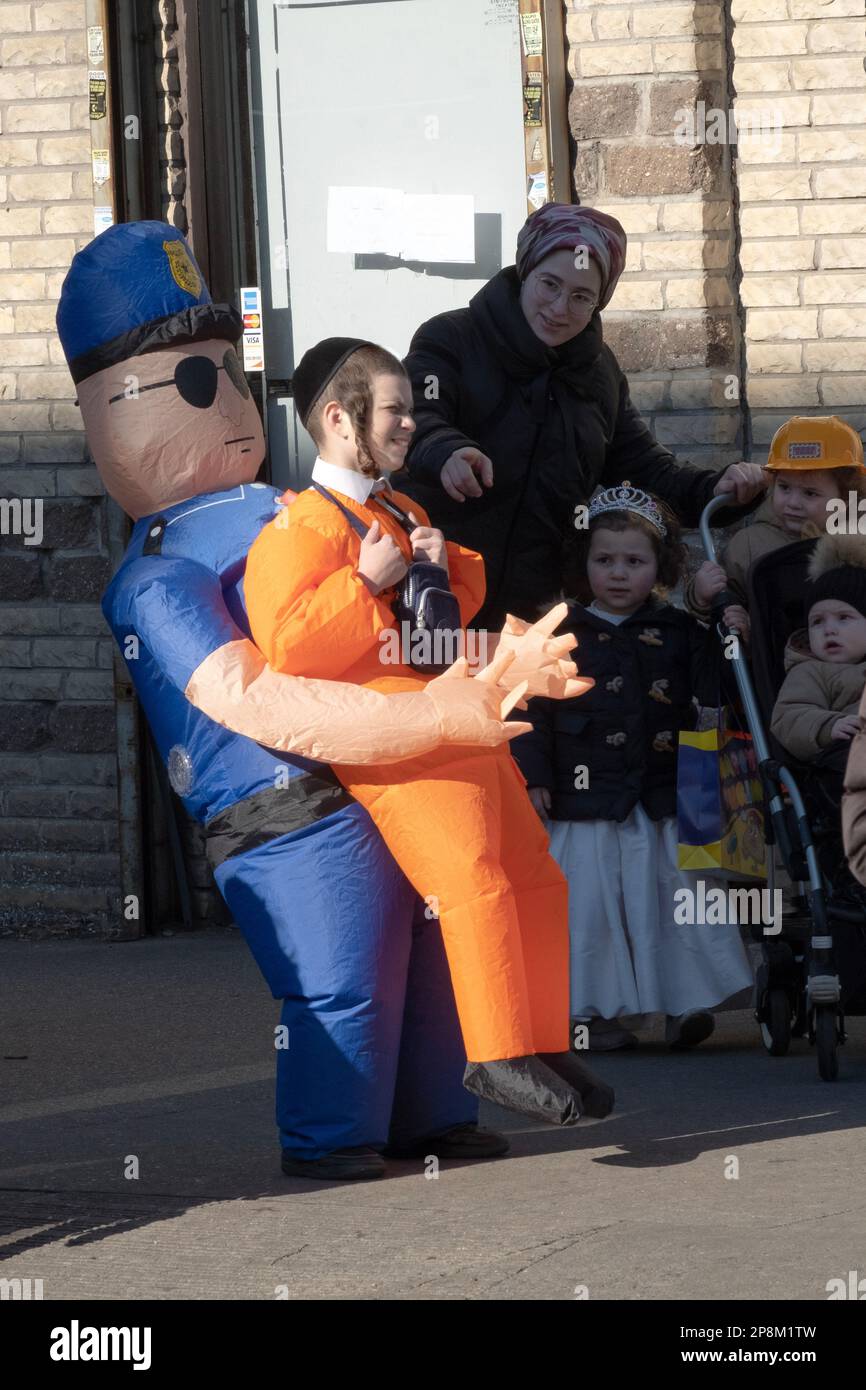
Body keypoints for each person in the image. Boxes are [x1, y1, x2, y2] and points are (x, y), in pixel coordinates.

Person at [57, 223, 585, 1184]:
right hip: (280, 807)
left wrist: (486, 651)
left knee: (429, 949)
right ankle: (331, 1138)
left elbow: (398, 635)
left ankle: (434, 1114)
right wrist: (434, 713)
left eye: (223, 369)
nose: (222, 400)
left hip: (368, 770)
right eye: (189, 381)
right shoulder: (158, 578)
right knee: (340, 977)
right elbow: (260, 696)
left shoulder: (299, 507)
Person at [244, 336, 616, 1126]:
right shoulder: (297, 525)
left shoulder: (403, 508)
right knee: (473, 879)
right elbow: (288, 646)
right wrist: (364, 581)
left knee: (537, 875)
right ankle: (496, 1055)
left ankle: (541, 1035)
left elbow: (448, 616)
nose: (414, 423)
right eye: (398, 410)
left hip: (450, 712)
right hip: (389, 735)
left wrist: (444, 563)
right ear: (341, 420)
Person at [398, 202, 767, 632]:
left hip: (534, 612)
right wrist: (447, 449)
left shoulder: (600, 374)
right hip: (436, 586)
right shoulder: (452, 338)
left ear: (599, 302)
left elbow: (646, 473)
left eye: (581, 297)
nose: (559, 308)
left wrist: (715, 490)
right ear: (525, 271)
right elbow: (415, 415)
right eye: (549, 285)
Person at [511, 483, 753, 1052]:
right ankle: (597, 1014)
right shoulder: (557, 633)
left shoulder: (681, 632)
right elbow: (532, 707)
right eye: (604, 560)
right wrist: (536, 777)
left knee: (673, 901)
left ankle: (684, 1003)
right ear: (583, 563)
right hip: (584, 801)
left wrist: (726, 638)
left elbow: (711, 699)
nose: (619, 573)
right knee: (591, 910)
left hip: (662, 797)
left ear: (662, 566)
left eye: (635, 561)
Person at [687, 415, 866, 640]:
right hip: (773, 663)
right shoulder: (750, 544)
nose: (792, 502)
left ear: (846, 497)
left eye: (810, 493)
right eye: (784, 487)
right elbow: (726, 604)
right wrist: (702, 596)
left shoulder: (859, 540)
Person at [771, 533, 866, 800]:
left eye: (844, 618)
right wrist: (828, 726)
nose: (829, 630)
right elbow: (788, 717)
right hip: (848, 755)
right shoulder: (810, 671)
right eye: (817, 622)